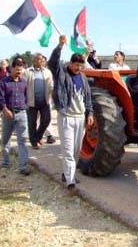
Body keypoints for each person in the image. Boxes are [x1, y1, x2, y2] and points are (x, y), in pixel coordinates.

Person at [48, 35, 94, 193]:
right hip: (67, 117)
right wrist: (60, 46)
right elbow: (53, 63)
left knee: (75, 150)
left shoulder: (82, 77)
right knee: (67, 150)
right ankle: (70, 182)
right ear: (70, 63)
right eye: (76, 66)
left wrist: (90, 113)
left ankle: (67, 174)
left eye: (81, 66)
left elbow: (87, 97)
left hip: (80, 118)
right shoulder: (62, 74)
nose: (78, 69)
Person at [0, 57, 30, 176]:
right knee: (5, 139)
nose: (19, 72)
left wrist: (25, 107)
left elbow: (26, 96)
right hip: (8, 114)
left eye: (20, 70)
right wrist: (5, 109)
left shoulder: (24, 82)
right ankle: (5, 162)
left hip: (21, 114)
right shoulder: (4, 82)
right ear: (11, 69)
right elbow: (1, 98)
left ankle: (24, 166)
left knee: (22, 140)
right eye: (17, 69)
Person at [23, 53, 54, 149]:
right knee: (32, 123)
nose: (41, 61)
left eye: (42, 60)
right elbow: (23, 86)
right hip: (31, 102)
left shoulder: (47, 72)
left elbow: (51, 85)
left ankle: (38, 136)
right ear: (34, 61)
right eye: (38, 60)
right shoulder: (27, 72)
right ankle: (34, 142)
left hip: (45, 101)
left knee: (46, 120)